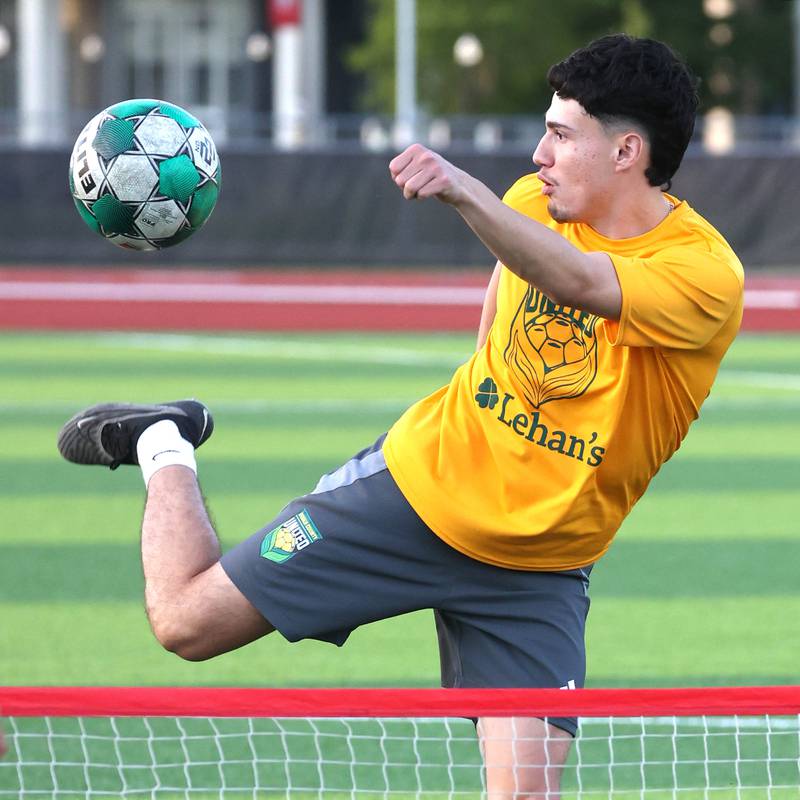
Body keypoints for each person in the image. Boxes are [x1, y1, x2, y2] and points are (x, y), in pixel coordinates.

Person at [58, 34, 743, 799]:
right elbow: (500, 316)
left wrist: (461, 190)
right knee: (185, 622)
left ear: (626, 151)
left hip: (539, 568)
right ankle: (163, 439)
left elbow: (582, 281)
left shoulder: (704, 273)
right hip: (416, 493)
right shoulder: (531, 202)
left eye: (559, 134)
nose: (538, 154)